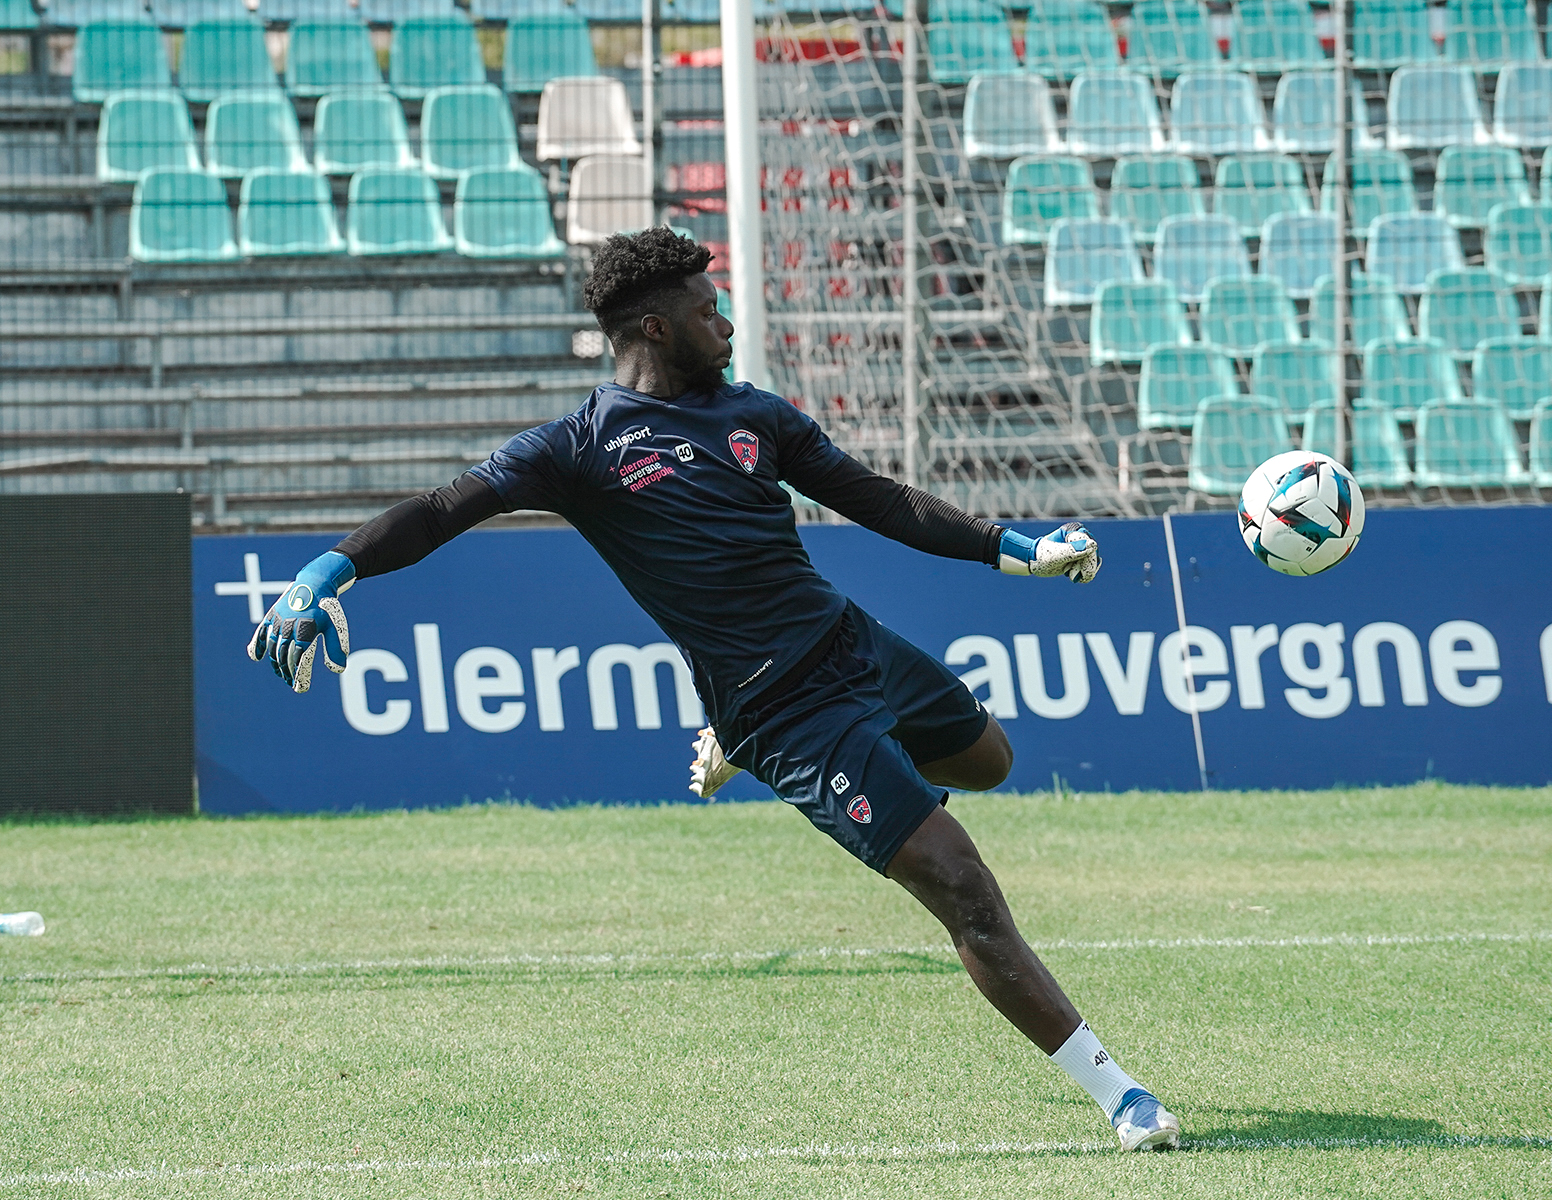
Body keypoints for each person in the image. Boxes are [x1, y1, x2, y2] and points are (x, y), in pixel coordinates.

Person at [249, 228, 1179, 1153]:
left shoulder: (755, 415)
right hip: (785, 712)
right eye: (707, 310)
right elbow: (440, 508)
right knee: (961, 884)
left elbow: (878, 498)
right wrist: (328, 571)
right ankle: (1122, 1096)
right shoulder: (579, 445)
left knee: (993, 761)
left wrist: (1011, 548)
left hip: (851, 642)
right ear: (655, 327)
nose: (726, 322)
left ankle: (785, 754)